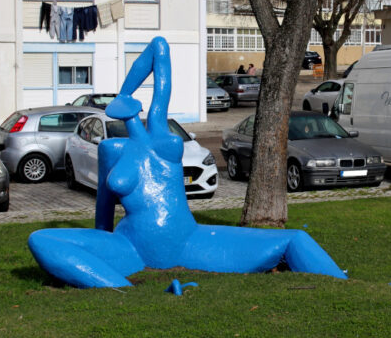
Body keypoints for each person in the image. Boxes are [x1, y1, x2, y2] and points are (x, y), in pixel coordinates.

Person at [27, 37, 346, 288]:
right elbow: (103, 213)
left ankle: (348, 284)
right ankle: (117, 286)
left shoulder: (163, 140)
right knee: (40, 239)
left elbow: (159, 49)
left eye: (130, 107)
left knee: (294, 239)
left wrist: (124, 93)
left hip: (184, 240)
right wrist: (102, 246)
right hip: (131, 247)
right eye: (123, 108)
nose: (129, 111)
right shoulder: (112, 149)